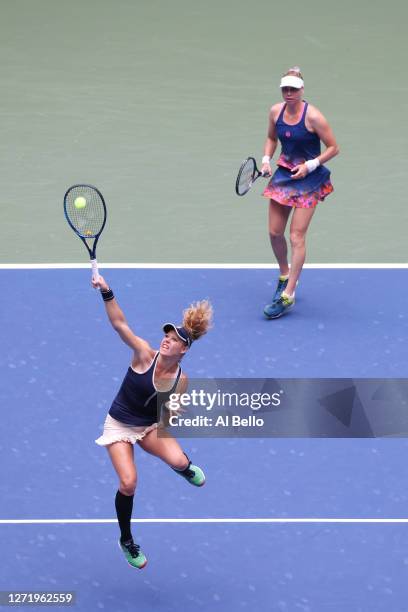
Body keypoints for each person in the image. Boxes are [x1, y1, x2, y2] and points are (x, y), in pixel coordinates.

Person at [92, 275, 213, 569]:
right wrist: (107, 292)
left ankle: (183, 468)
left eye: (173, 340)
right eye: (167, 336)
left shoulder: (180, 381)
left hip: (148, 427)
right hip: (120, 425)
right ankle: (126, 539)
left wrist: (171, 412)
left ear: (183, 350)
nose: (166, 340)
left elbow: (165, 417)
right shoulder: (144, 354)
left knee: (181, 462)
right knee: (129, 482)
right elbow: (120, 324)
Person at [261, 66, 339, 318]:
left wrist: (310, 165)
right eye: (285, 88)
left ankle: (288, 294)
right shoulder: (276, 111)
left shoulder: (314, 116)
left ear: (301, 90)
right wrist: (265, 159)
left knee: (296, 236)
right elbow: (272, 138)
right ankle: (284, 274)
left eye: (293, 89)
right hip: (285, 175)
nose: (288, 92)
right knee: (274, 233)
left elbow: (333, 148)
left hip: (309, 179)